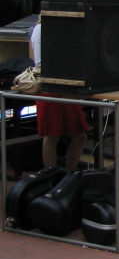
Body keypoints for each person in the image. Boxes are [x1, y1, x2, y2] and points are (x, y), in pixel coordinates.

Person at [29, 22, 88, 170]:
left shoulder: (63, 28)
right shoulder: (41, 28)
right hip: (50, 85)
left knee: (80, 135)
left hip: (66, 85)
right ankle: (52, 177)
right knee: (52, 135)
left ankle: (70, 174)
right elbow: (42, 62)